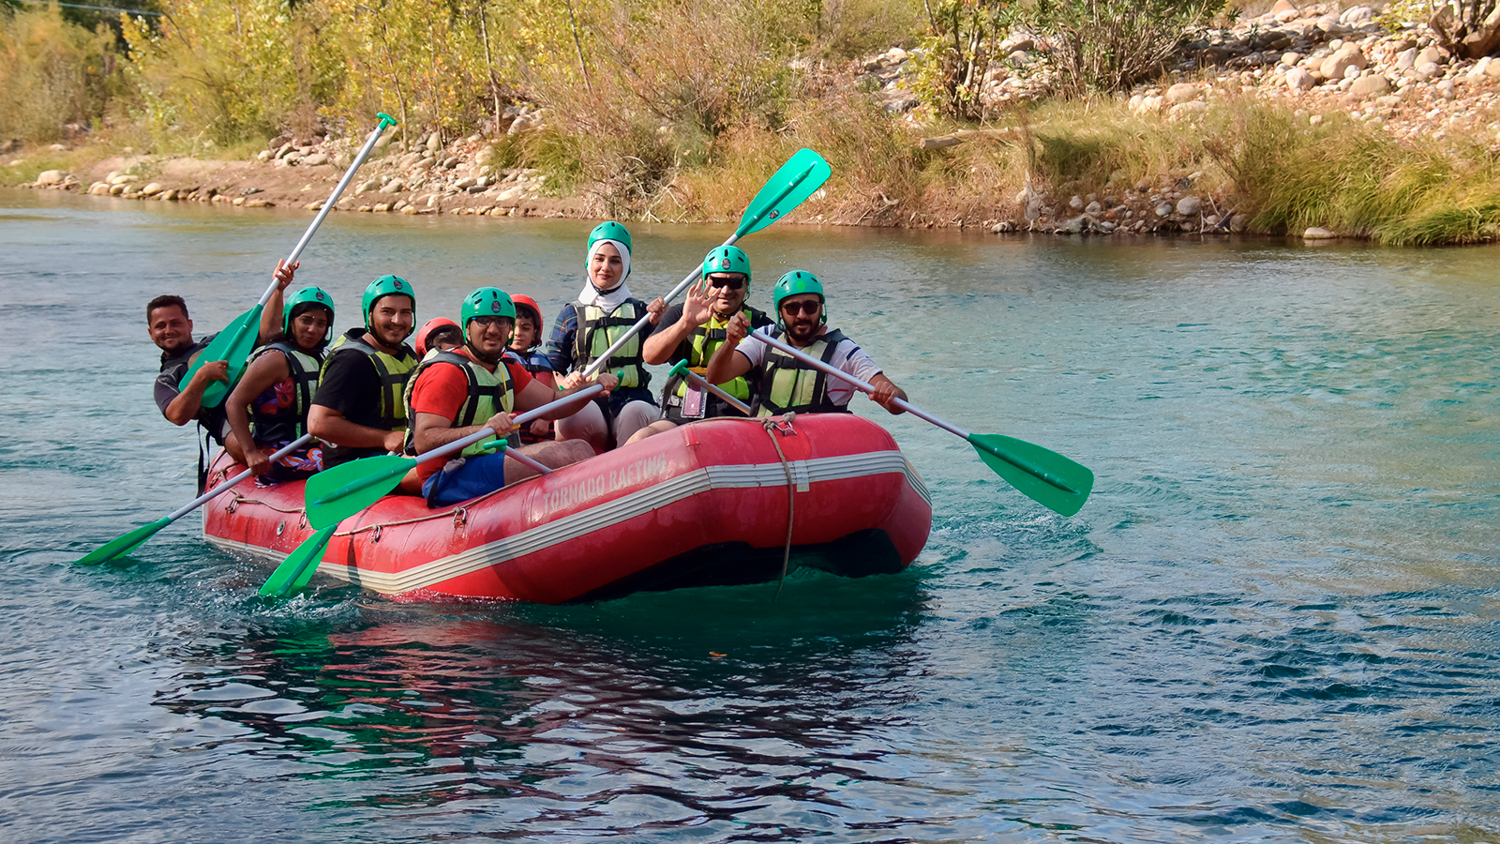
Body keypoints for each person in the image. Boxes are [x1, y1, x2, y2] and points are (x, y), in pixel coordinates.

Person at [407, 287, 615, 507]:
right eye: (484, 321)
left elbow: (554, 403)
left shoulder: (506, 368)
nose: (493, 329)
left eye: (502, 322)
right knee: (561, 456)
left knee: (580, 448)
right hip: (448, 475)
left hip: (486, 461)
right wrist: (481, 430)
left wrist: (592, 388)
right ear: (467, 328)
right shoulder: (446, 373)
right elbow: (424, 440)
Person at [704, 270, 908, 417]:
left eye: (810, 306)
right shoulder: (764, 338)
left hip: (819, 451)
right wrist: (730, 343)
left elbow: (898, 405)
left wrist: (891, 393)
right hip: (768, 442)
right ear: (780, 313)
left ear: (821, 309)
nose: (802, 315)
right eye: (792, 308)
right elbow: (715, 377)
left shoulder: (844, 351)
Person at [628, 246, 773, 443]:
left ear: (747, 285)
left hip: (738, 417)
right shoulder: (681, 314)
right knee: (641, 438)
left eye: (735, 282)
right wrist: (686, 324)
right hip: (681, 418)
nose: (726, 290)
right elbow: (650, 356)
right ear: (706, 283)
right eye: (718, 282)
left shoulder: (761, 326)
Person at [544, 221, 665, 451]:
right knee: (576, 417)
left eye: (615, 260)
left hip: (633, 398)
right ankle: (586, 469)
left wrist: (664, 323)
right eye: (599, 259)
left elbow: (662, 355)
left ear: (626, 266)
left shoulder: (643, 313)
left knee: (634, 413)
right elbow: (551, 369)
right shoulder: (571, 313)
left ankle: (629, 469)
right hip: (586, 396)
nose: (605, 267)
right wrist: (565, 383)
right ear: (589, 262)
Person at [147, 268, 285, 464]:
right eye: (161, 326)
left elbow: (267, 334)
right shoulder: (167, 379)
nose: (169, 330)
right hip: (227, 423)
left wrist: (278, 290)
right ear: (151, 333)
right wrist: (201, 376)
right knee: (244, 448)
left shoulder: (218, 343)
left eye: (175, 323)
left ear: (189, 325)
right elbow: (178, 416)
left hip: (267, 402)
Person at [308, 274, 420, 490]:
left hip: (396, 455)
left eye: (405, 312)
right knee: (438, 472)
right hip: (356, 467)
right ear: (369, 316)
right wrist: (384, 438)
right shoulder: (351, 361)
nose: (397, 321)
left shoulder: (406, 354)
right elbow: (317, 423)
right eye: (387, 312)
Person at [224, 267, 335, 484]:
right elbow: (233, 404)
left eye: (321, 323)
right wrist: (250, 453)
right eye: (306, 320)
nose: (313, 329)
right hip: (274, 448)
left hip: (312, 445)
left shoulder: (322, 358)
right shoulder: (274, 359)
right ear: (291, 321)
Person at [501, 293, 558, 445]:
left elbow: (557, 397)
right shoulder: (499, 363)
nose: (518, 333)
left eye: (525, 328)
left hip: (543, 432)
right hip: (514, 433)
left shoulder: (544, 362)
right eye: (513, 328)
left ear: (535, 333)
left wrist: (546, 419)